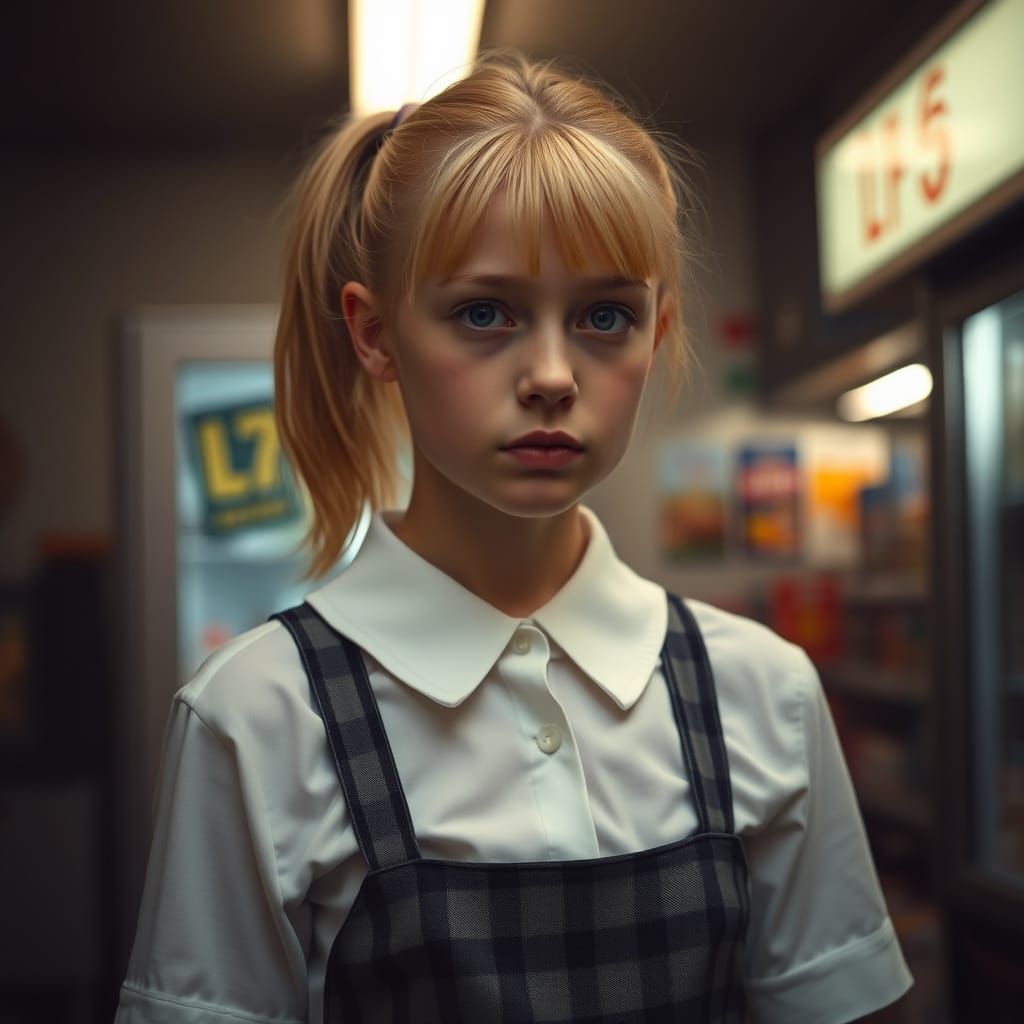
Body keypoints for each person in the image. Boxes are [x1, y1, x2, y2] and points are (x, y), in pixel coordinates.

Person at [114, 48, 914, 1024]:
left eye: (604, 315)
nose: (549, 373)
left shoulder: (764, 690)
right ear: (373, 335)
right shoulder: (255, 717)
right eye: (484, 312)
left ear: (657, 332)